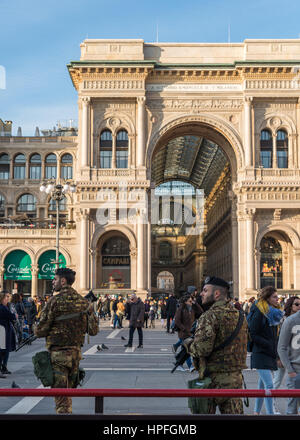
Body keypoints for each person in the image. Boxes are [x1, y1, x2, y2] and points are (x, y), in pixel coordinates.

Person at [34, 267, 97, 414]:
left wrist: (34, 328)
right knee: (67, 394)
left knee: (61, 399)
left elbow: (40, 331)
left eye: (55, 279)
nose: (52, 282)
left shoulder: (54, 302)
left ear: (63, 281)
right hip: (75, 355)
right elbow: (93, 331)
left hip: (58, 356)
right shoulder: (84, 303)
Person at [186, 276, 248, 414]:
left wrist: (189, 344)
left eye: (205, 290)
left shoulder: (209, 316)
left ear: (216, 294)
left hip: (213, 381)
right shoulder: (241, 316)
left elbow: (202, 349)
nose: (201, 294)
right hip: (235, 380)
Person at [248, 286, 283, 415]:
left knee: (262, 386)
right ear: (267, 298)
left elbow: (274, 334)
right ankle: (270, 414)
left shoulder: (273, 312)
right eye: (274, 297)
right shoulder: (259, 311)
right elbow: (253, 332)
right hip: (260, 353)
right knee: (269, 386)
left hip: (269, 353)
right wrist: (268, 344)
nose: (277, 299)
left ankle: (256, 412)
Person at [277, 296, 300, 414]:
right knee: (292, 409)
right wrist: (290, 370)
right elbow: (281, 347)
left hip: (295, 369)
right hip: (296, 369)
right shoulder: (290, 320)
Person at [173, 294, 197, 372]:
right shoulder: (181, 309)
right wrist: (183, 328)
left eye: (192, 301)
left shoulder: (191, 309)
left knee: (186, 349)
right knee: (187, 349)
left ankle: (179, 362)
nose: (191, 302)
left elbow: (201, 312)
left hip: (190, 333)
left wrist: (195, 303)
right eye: (190, 301)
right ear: (185, 302)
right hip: (183, 333)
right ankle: (190, 366)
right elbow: (177, 320)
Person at [0, 291, 17, 375]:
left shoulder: (5, 307)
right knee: (2, 350)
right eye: (6, 296)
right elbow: (11, 316)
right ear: (2, 298)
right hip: (3, 331)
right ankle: (2, 368)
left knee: (5, 350)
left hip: (6, 330)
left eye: (8, 296)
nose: (8, 298)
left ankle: (4, 367)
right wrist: (14, 315)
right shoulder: (2, 307)